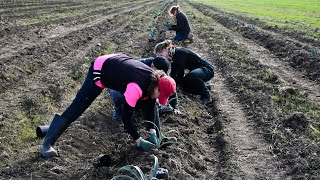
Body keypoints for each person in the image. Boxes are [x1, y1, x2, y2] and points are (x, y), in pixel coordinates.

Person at [40, 54, 176, 158]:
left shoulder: (154, 82)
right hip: (101, 68)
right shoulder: (136, 87)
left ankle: (159, 137)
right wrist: (139, 140)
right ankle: (48, 143)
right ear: (157, 85)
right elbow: (126, 118)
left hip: (117, 64)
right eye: (160, 94)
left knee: (149, 103)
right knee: (79, 106)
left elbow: (150, 107)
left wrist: (152, 132)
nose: (159, 97)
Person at [108, 57, 180, 123]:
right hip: (118, 85)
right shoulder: (140, 68)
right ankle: (118, 114)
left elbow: (169, 88)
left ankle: (156, 108)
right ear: (152, 66)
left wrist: (175, 106)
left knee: (151, 99)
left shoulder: (161, 73)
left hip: (140, 88)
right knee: (121, 98)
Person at [154, 40, 214, 105]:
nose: (161, 58)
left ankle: (207, 96)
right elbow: (174, 73)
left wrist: (176, 85)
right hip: (199, 71)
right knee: (185, 84)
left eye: (161, 55)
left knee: (192, 76)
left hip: (207, 69)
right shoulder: (173, 56)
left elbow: (180, 72)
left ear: (165, 50)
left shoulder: (179, 53)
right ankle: (205, 87)